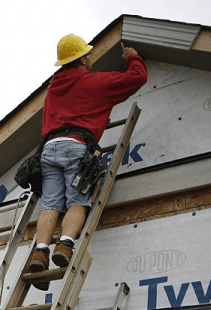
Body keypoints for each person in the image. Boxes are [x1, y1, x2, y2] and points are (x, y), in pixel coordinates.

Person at [29, 34, 148, 285]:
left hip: (48, 150)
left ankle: (41, 251)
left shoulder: (53, 88)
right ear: (82, 59)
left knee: (50, 204)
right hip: (76, 145)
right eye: (89, 55)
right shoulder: (94, 82)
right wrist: (133, 57)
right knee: (78, 200)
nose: (91, 58)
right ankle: (65, 245)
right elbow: (137, 78)